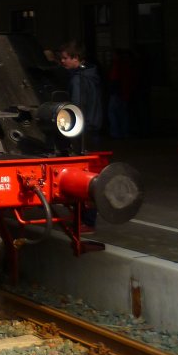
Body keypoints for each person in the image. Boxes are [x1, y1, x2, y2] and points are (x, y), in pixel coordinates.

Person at [59, 40, 104, 227]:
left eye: (65, 58)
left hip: (82, 131)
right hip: (94, 126)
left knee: (81, 177)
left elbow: (75, 107)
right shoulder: (92, 74)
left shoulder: (77, 79)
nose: (62, 62)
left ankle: (85, 220)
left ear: (76, 58)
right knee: (92, 174)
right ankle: (87, 218)